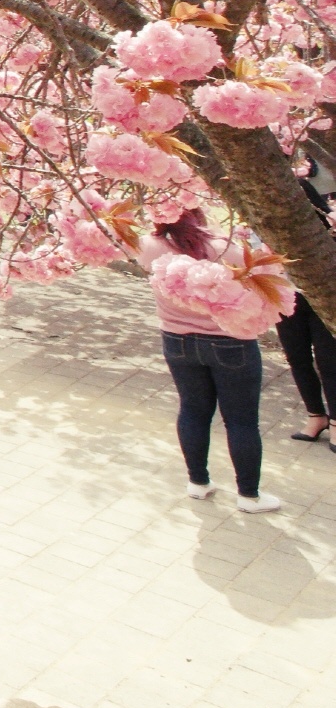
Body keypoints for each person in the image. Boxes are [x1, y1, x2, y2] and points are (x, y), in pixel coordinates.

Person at [138, 208, 283, 512]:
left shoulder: (150, 246)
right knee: (241, 420)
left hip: (177, 340)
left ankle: (198, 482)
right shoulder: (223, 247)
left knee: (192, 410)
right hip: (230, 342)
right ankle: (249, 495)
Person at [275, 160, 335, 446]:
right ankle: (315, 415)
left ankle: (335, 420)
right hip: (286, 296)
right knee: (297, 357)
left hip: (322, 296)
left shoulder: (327, 234)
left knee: (329, 360)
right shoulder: (266, 225)